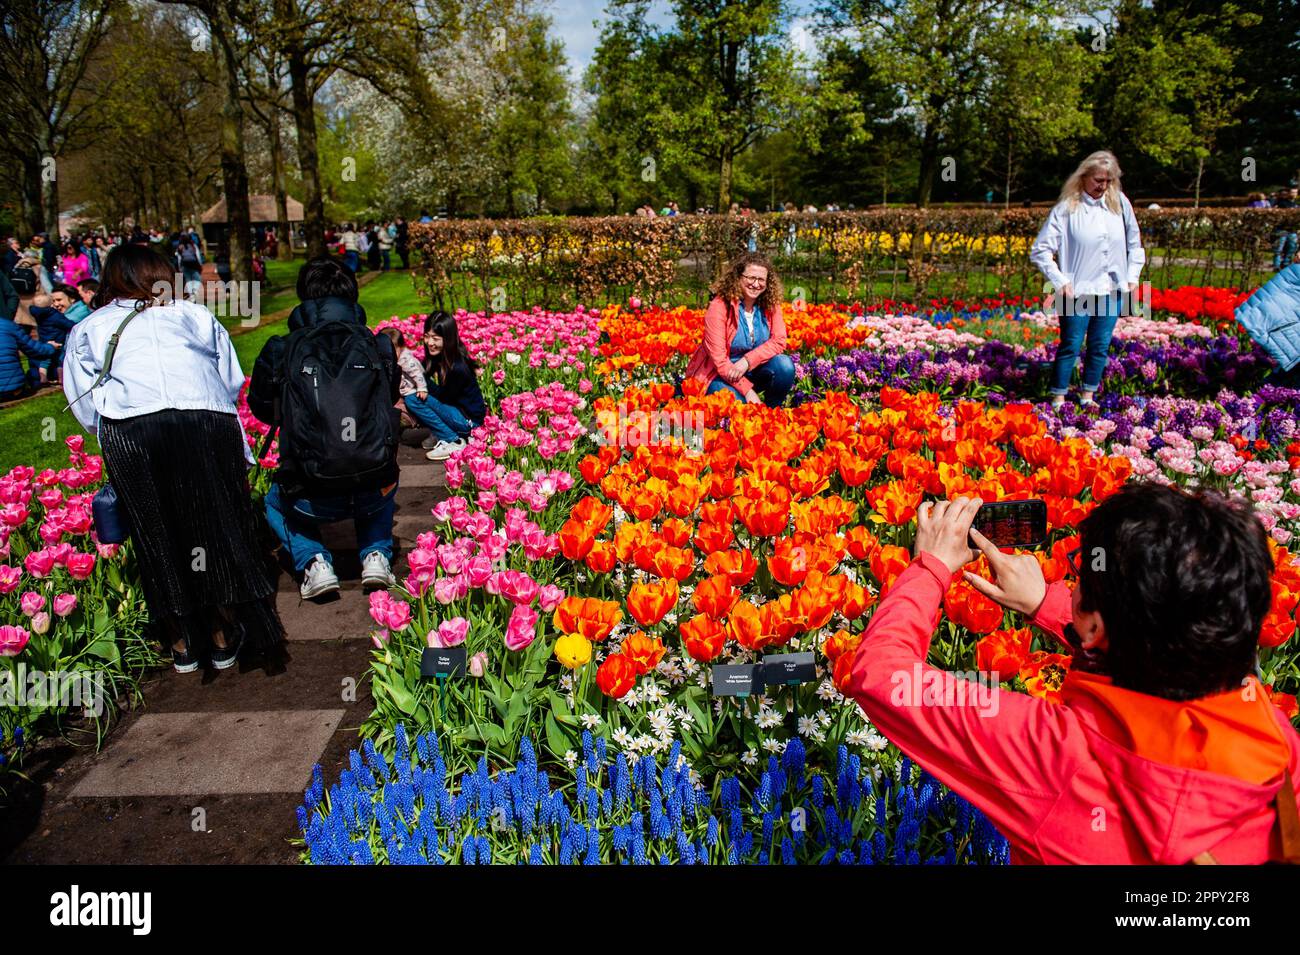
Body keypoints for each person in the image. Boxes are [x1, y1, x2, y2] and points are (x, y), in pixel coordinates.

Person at [844, 485, 1300, 864]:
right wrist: (1052, 607)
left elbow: (881, 674)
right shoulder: (1273, 739)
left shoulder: (1057, 755)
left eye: (1081, 576)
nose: (1075, 580)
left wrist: (932, 566)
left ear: (1098, 625)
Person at [63, 244, 284, 672]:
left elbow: (82, 396)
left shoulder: (91, 326)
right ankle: (223, 631)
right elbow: (230, 378)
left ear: (112, 278)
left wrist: (110, 429)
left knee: (156, 531)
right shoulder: (193, 314)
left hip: (132, 427)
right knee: (215, 523)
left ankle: (183, 639)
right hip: (203, 418)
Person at [248, 257, 401, 600]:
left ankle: (314, 560)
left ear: (304, 297)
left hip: (310, 495)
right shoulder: (378, 345)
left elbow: (261, 409)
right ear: (353, 296)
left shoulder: (281, 349)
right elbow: (388, 399)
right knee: (378, 473)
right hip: (374, 486)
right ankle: (376, 555)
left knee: (273, 503)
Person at [1030, 150, 1145, 409]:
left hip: (1111, 289)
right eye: (1097, 179)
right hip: (1076, 290)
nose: (1102, 186)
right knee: (1070, 344)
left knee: (1100, 345)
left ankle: (1088, 396)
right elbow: (1040, 250)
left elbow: (1135, 244)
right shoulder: (1067, 209)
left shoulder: (1120, 204)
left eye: (1108, 180)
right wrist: (1059, 280)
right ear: (1083, 177)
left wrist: (1132, 277)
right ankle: (1058, 396)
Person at [684, 251, 794, 407]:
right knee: (738, 405)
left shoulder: (770, 304)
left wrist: (747, 362)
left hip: (752, 368)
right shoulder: (719, 307)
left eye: (761, 279)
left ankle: (772, 414)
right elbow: (720, 362)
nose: (756, 284)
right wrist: (748, 391)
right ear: (738, 277)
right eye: (751, 278)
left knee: (784, 365)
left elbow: (779, 341)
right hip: (718, 373)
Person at [404, 311, 485, 461]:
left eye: (435, 338)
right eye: (427, 336)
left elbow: (445, 398)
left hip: (469, 421)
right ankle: (442, 431)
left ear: (447, 339)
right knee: (416, 385)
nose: (429, 342)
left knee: (412, 399)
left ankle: (453, 440)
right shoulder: (439, 356)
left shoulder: (458, 367)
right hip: (457, 411)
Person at [1273, 188, 1298, 271]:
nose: (1293, 194)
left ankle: (1285, 264)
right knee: (1279, 249)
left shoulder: (1296, 204)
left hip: (1292, 230)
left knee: (1292, 247)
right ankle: (1276, 266)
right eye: (1292, 192)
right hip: (1281, 229)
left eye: (1295, 192)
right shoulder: (1282, 203)